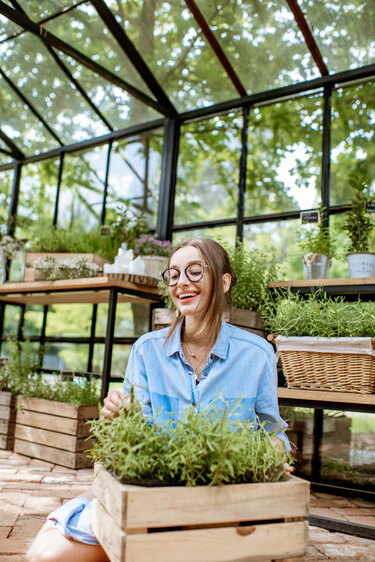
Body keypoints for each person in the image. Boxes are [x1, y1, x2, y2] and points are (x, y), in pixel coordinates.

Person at [27, 237, 291, 562]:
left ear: (223, 282)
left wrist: (275, 452)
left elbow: (271, 432)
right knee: (48, 556)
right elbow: (137, 433)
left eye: (195, 272)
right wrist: (120, 415)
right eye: (174, 275)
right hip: (153, 496)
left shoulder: (257, 355)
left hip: (225, 500)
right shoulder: (147, 351)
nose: (182, 283)